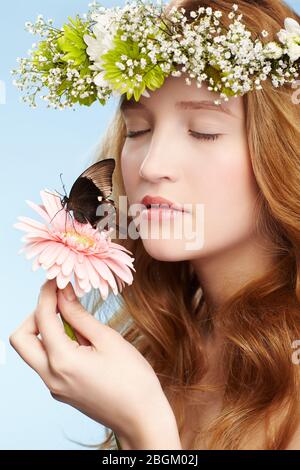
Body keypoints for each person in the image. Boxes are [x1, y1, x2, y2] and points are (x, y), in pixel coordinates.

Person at [9, 0, 300, 450]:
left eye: (203, 130)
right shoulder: (162, 350)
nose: (152, 165)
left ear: (283, 148)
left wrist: (144, 426)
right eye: (138, 130)